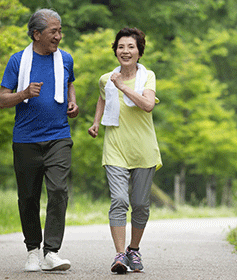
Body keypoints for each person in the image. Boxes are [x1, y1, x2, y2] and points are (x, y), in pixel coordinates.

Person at [0, 8, 79, 272]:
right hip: (25, 140)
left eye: (59, 30)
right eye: (53, 32)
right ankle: (33, 250)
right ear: (37, 34)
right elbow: (2, 100)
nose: (59, 36)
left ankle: (52, 251)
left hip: (58, 136)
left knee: (58, 191)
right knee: (28, 196)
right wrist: (24, 93)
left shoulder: (65, 59)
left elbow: (69, 83)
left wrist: (73, 101)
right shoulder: (18, 61)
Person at [88, 27, 162, 274]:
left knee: (140, 204)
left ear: (139, 51)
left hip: (143, 151)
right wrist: (96, 122)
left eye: (131, 47)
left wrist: (123, 86)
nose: (125, 51)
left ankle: (134, 250)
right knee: (119, 200)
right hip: (115, 149)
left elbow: (148, 105)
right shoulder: (106, 79)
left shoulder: (147, 76)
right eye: (121, 47)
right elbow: (102, 98)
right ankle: (120, 255)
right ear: (115, 51)